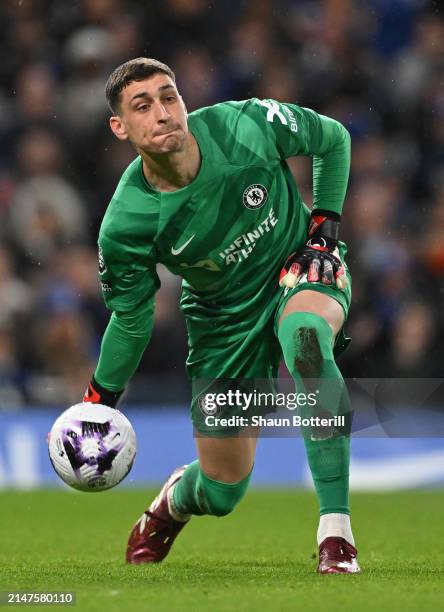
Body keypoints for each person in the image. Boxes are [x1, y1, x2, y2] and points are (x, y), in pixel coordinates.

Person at [83, 57, 360, 574]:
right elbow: (132, 318)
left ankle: (336, 534)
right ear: (120, 128)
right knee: (224, 488)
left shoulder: (245, 124)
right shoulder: (125, 224)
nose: (163, 113)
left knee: (305, 338)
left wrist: (324, 227)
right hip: (221, 319)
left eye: (170, 97)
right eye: (143, 106)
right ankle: (173, 503)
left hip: (298, 265)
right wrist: (99, 400)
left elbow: (334, 138)